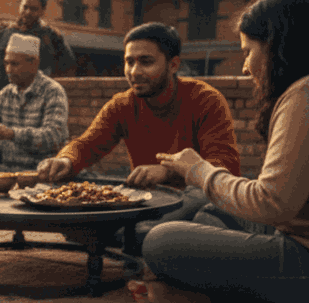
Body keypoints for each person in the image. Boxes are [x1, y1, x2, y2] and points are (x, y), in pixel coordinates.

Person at [131, 0, 309, 303]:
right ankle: (203, 289)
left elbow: (272, 203)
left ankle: (203, 292)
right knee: (211, 210)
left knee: (160, 241)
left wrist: (199, 170)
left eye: (248, 51)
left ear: (278, 45)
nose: (247, 67)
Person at [36, 23, 240, 226]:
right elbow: (87, 144)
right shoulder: (122, 104)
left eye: (146, 62)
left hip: (193, 200)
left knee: (198, 204)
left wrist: (169, 171)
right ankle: (138, 234)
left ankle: (136, 233)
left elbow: (226, 166)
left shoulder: (205, 99)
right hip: (148, 200)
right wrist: (66, 161)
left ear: (173, 65)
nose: (134, 71)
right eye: (129, 62)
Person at [0, 33, 68, 171]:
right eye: (6, 63)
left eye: (14, 64)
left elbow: (53, 137)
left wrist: (13, 134)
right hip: (7, 170)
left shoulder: (52, 91)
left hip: (41, 171)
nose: (8, 69)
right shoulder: (5, 94)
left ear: (34, 63)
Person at [0, 0, 76, 92]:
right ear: (20, 7)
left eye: (33, 9)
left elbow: (67, 63)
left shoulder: (51, 35)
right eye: (25, 7)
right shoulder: (5, 31)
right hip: (7, 94)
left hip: (39, 95)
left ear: (42, 11)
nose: (27, 12)